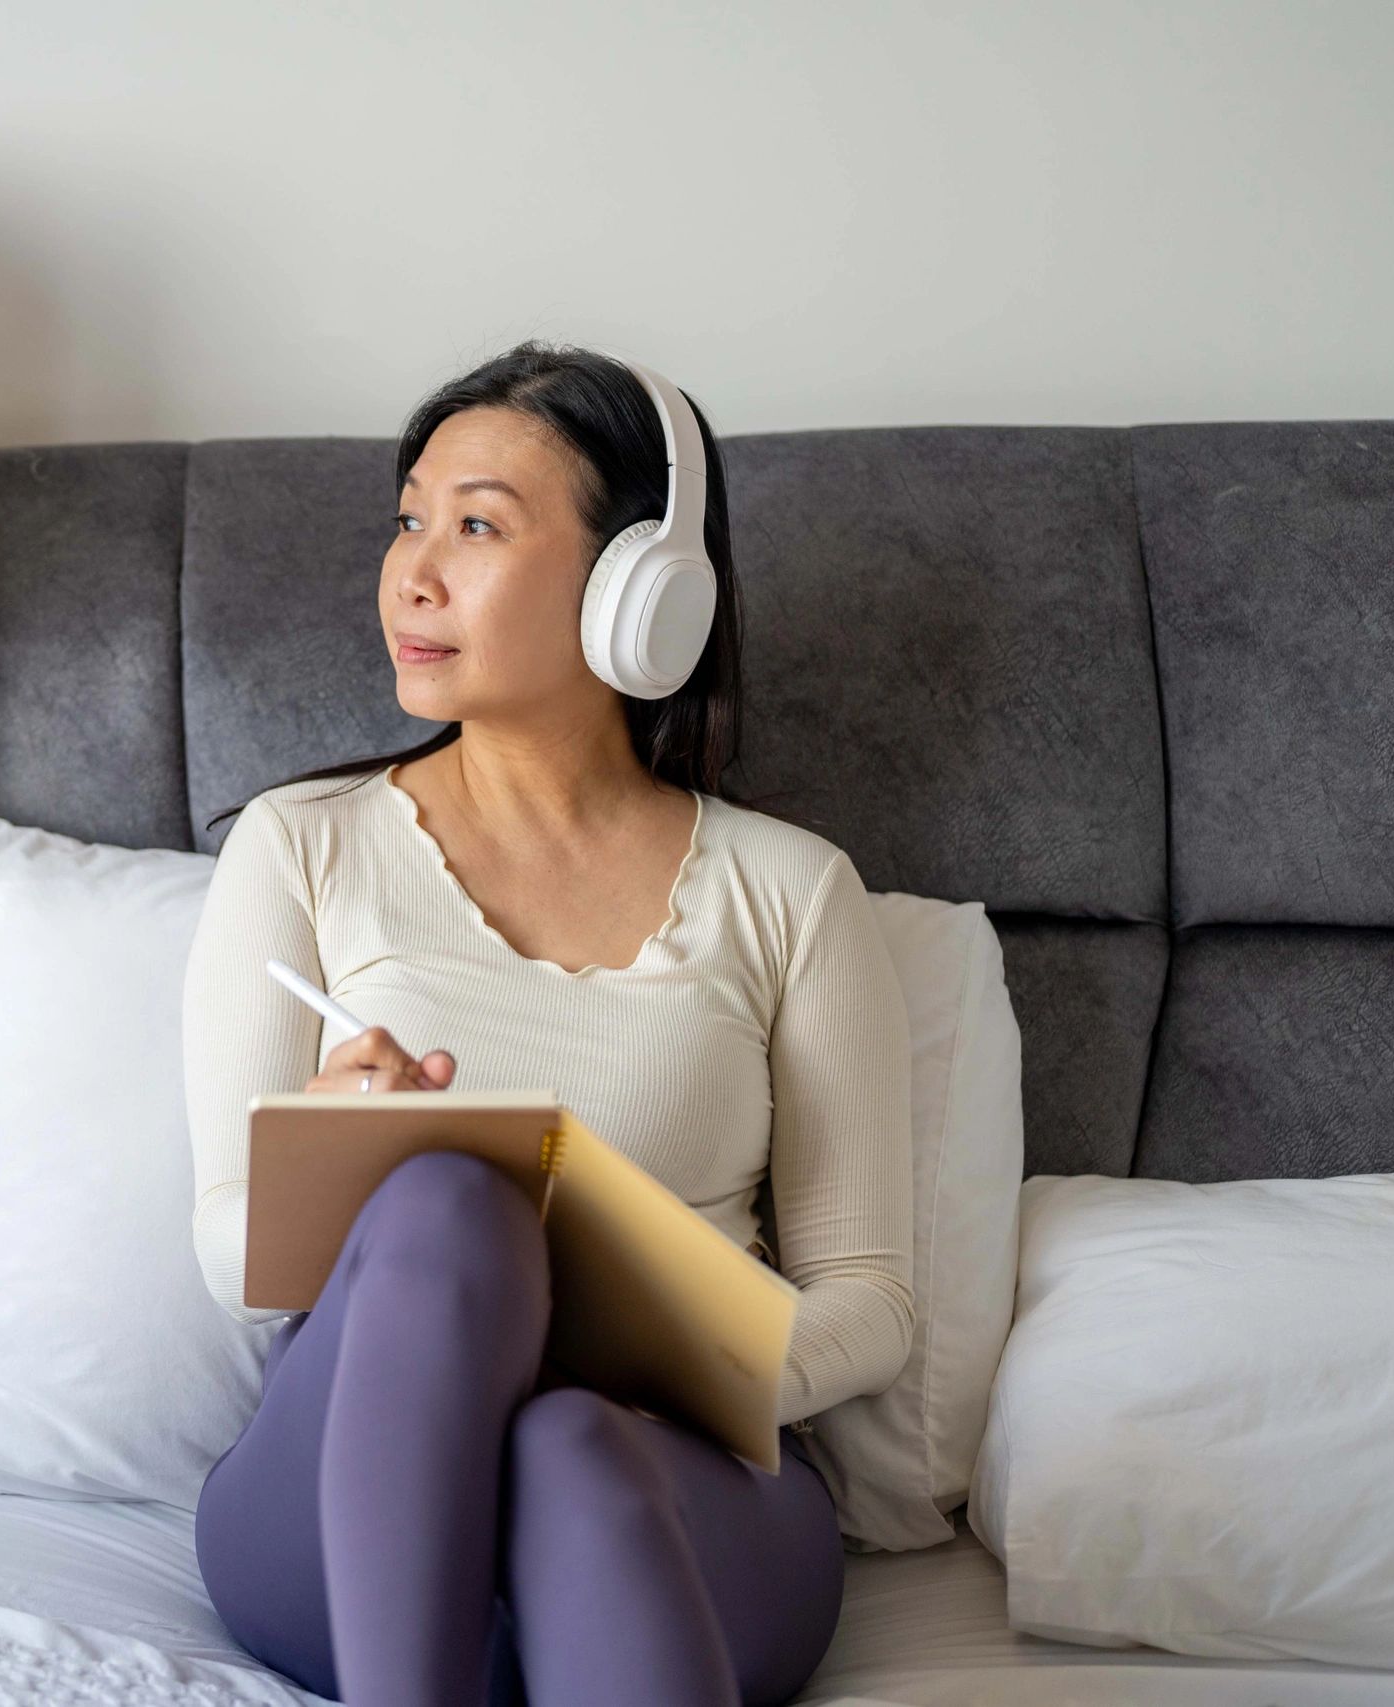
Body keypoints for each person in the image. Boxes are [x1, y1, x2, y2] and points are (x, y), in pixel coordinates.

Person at [181, 341, 916, 1707]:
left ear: (641, 589)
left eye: (475, 527)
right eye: (409, 519)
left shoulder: (791, 889)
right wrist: (327, 1166)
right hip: (342, 1528)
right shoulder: (303, 845)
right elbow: (231, 1250)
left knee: (576, 1443)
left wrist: (650, 1350)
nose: (412, 571)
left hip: (672, 1496)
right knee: (451, 1205)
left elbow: (870, 1303)